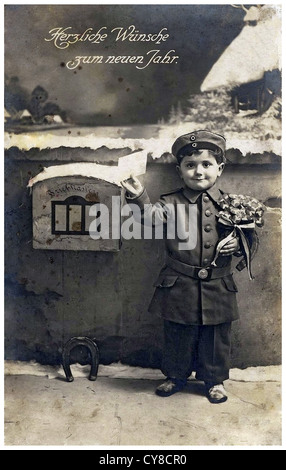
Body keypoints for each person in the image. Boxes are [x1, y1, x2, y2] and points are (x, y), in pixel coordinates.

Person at [121, 130, 256, 404]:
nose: (198, 171)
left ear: (220, 168)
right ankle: (176, 375)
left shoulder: (233, 205)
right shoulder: (170, 203)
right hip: (179, 283)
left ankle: (214, 380)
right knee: (177, 333)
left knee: (216, 336)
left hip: (218, 283)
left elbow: (250, 236)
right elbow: (149, 219)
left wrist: (238, 246)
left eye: (206, 165)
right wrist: (138, 196)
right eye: (190, 165)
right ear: (179, 170)